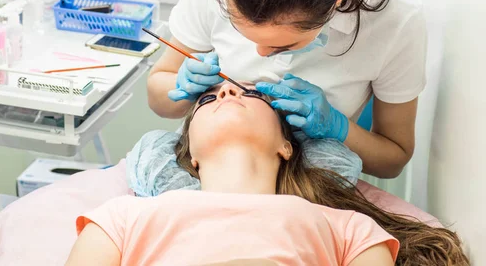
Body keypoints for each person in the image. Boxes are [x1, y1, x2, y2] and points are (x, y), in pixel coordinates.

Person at [146, 0, 427, 179]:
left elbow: (393, 160)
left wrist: (338, 128)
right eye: (245, 34)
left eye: (284, 45)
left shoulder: (397, 21)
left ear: (338, 0)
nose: (261, 54)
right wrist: (182, 89)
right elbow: (159, 93)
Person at [66, 82, 467, 266]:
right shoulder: (120, 218)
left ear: (286, 145)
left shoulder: (352, 230)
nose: (226, 91)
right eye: (207, 98)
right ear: (192, 158)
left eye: (254, 94)